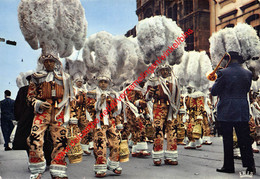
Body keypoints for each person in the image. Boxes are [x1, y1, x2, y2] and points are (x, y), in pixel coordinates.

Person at [27, 54, 72, 179]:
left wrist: (71, 115)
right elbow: (30, 97)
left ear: (56, 62)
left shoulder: (65, 78)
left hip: (59, 112)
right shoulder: (36, 77)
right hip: (42, 113)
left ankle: (58, 171)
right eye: (46, 61)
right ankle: (37, 170)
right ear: (43, 63)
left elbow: (70, 97)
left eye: (51, 61)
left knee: (61, 141)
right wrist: (38, 103)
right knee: (34, 138)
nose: (48, 64)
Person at [211, 51, 256, 175]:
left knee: (228, 139)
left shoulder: (223, 73)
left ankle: (228, 166)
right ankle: (250, 166)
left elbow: (214, 91)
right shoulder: (247, 73)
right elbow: (246, 90)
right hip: (242, 108)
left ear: (228, 60)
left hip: (227, 109)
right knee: (244, 139)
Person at [145, 64, 180, 166]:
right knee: (158, 131)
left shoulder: (174, 80)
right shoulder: (153, 81)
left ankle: (171, 156)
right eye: (162, 70)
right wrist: (150, 94)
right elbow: (146, 97)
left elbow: (178, 96)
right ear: (158, 71)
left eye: (166, 70)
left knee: (172, 131)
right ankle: (157, 156)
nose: (164, 72)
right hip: (158, 107)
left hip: (171, 109)